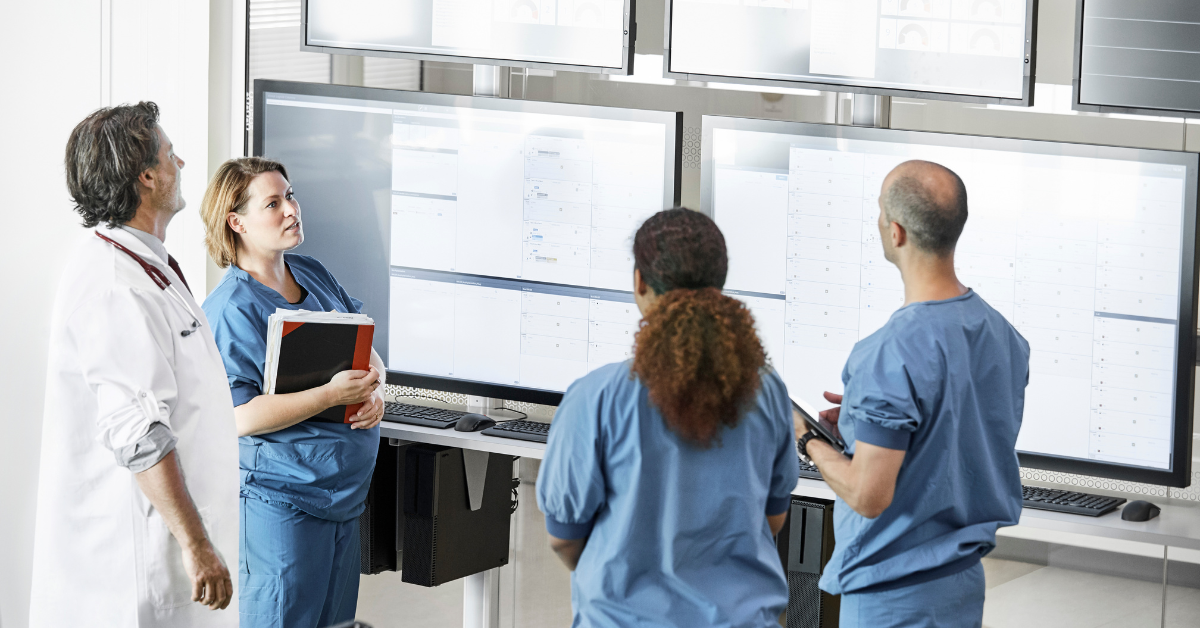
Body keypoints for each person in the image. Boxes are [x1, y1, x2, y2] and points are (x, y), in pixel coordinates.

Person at [537, 208, 800, 627]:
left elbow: (565, 539)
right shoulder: (767, 392)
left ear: (639, 283)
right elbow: (773, 518)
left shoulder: (595, 397)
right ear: (721, 283)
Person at [796, 160, 1029, 627]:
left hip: (891, 601)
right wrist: (866, 422)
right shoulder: (1003, 335)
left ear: (896, 231)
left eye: (880, 211)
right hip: (960, 591)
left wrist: (807, 439)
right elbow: (950, 431)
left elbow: (868, 495)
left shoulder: (890, 353)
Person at [30, 102, 238, 626]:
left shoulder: (145, 264)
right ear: (147, 177)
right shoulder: (113, 283)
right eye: (171, 154)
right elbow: (139, 432)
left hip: (168, 557)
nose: (182, 163)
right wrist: (196, 545)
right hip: (133, 569)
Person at [199, 157, 386, 628]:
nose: (291, 210)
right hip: (282, 505)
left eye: (291, 195)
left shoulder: (313, 273)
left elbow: (365, 343)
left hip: (342, 501)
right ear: (236, 221)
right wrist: (329, 396)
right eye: (273, 203)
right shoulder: (230, 310)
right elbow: (238, 416)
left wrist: (373, 389)